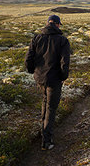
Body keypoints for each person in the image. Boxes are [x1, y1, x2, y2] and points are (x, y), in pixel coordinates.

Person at [25, 14, 70, 150]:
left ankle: (43, 131)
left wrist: (33, 72)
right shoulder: (62, 40)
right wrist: (63, 76)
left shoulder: (37, 38)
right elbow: (64, 62)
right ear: (57, 24)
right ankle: (46, 140)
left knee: (45, 103)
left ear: (47, 23)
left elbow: (28, 59)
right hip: (54, 79)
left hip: (40, 78)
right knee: (51, 107)